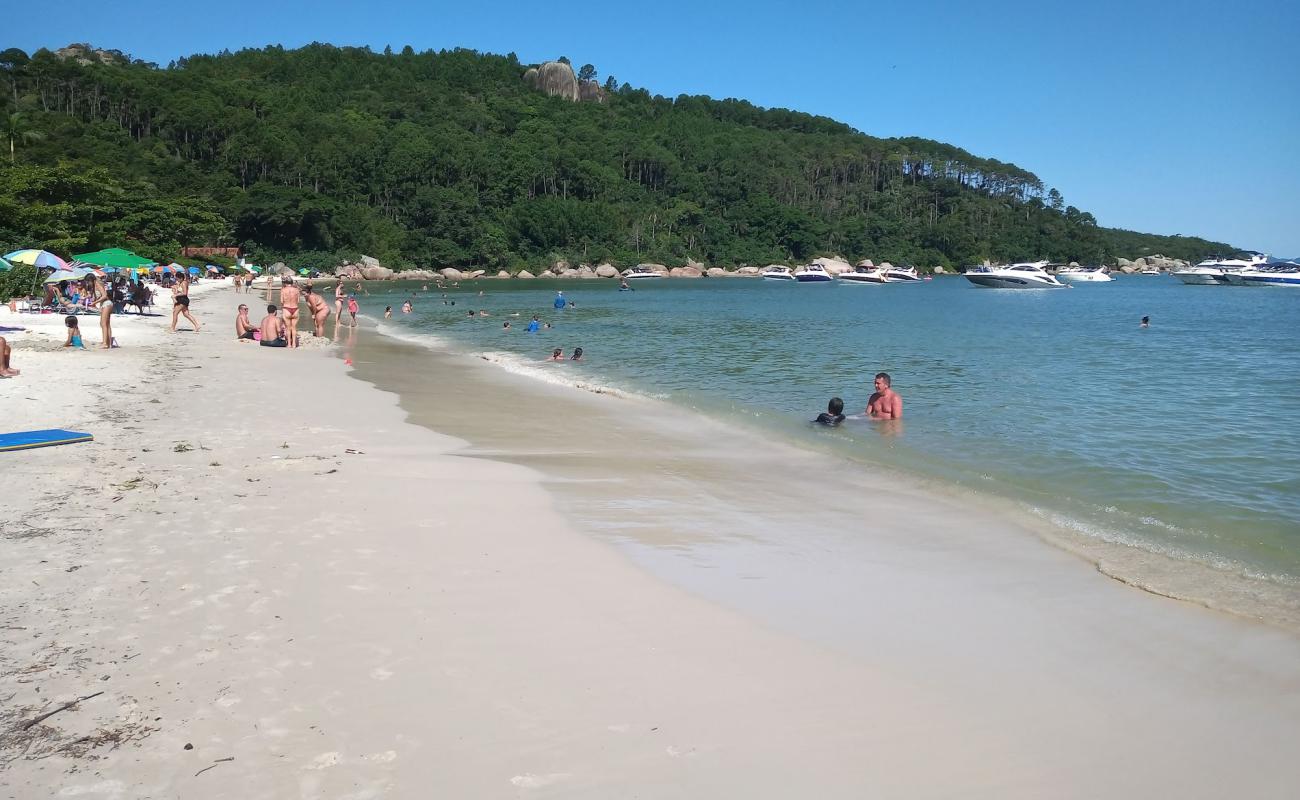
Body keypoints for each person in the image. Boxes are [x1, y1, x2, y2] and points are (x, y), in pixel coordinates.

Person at [87, 275, 114, 349]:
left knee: (103, 323)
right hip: (106, 304)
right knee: (107, 324)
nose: (88, 284)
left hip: (106, 303)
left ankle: (105, 343)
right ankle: (108, 342)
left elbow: (105, 295)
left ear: (91, 280)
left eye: (88, 282)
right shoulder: (96, 285)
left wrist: (95, 302)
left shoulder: (97, 284)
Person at [280, 276, 301, 348]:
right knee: (294, 327)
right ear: (292, 283)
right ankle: (294, 344)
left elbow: (282, 301)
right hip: (295, 309)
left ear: (286, 283)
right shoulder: (297, 290)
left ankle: (289, 344)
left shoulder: (283, 290)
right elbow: (298, 301)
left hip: (286, 308)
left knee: (288, 328)